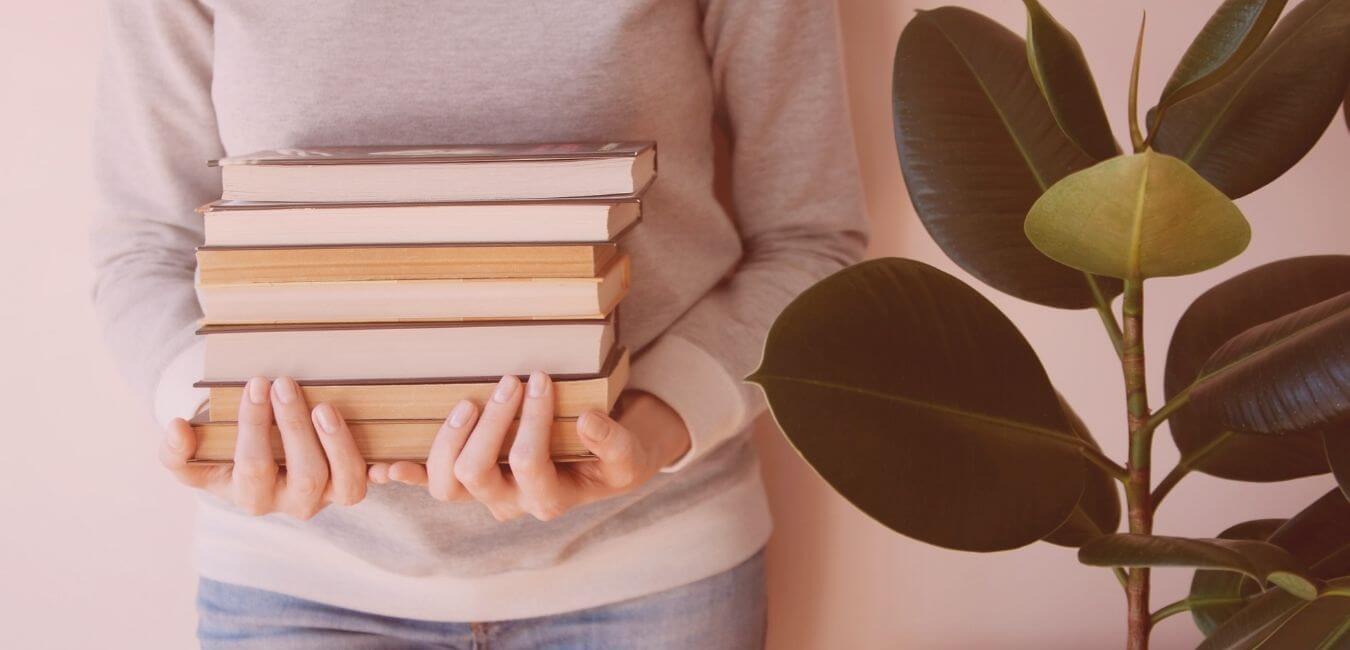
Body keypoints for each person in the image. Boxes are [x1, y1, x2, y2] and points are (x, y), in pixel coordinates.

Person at [92, 1, 868, 647]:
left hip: (650, 568)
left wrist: (661, 423)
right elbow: (144, 246)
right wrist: (214, 421)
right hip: (295, 582)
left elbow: (810, 239)